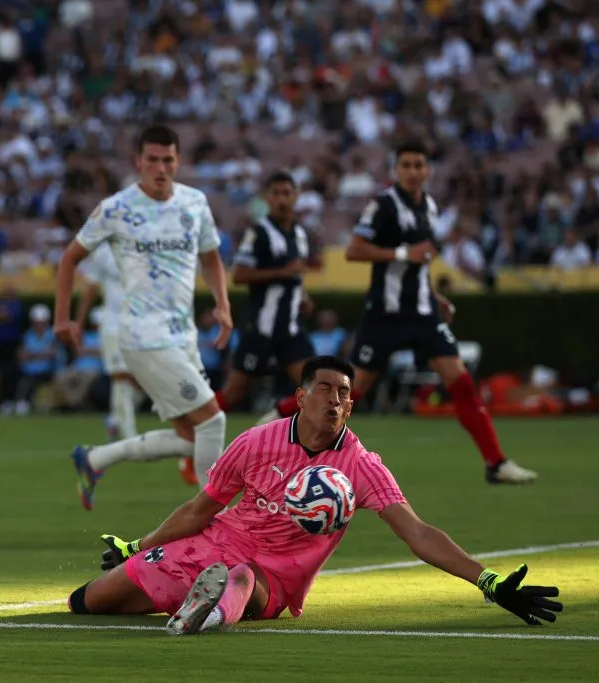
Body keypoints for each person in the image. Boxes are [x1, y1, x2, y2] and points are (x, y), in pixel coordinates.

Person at [66, 357, 562, 636]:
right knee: (84, 602)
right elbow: (200, 510)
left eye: (344, 392)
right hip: (210, 546)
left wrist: (489, 581)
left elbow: (418, 533)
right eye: (325, 388)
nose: (336, 398)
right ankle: (195, 597)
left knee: (241, 578)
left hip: (269, 577)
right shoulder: (255, 442)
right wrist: (139, 544)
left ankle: (211, 611)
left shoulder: (361, 466)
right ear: (301, 397)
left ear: (350, 404)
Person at [256, 141, 538, 485]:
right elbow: (354, 250)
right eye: (406, 165)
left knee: (462, 384)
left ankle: (496, 463)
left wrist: (434, 297)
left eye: (419, 165)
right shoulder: (384, 206)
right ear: (396, 169)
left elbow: (420, 262)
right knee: (350, 393)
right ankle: (277, 418)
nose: (413, 171)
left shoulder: (429, 207)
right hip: (386, 316)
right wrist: (405, 253)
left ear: (427, 169)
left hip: (422, 314)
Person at [54, 123, 233, 511]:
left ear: (178, 161)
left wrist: (222, 304)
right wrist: (63, 317)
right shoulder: (117, 209)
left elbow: (211, 257)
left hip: (182, 336)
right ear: (138, 161)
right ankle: (216, 523)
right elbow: (70, 258)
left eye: (168, 160)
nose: (160, 168)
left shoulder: (194, 203)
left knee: (192, 436)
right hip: (142, 335)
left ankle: (96, 459)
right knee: (213, 422)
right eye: (152, 160)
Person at [214, 171, 315, 416]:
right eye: (276, 193)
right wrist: (281, 272)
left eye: (287, 193)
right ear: (267, 198)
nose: (282, 199)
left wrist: (303, 297)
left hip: (290, 329)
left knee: (315, 388)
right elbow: (239, 275)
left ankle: (268, 426)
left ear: (296, 197)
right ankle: (193, 429)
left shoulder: (300, 234)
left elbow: (295, 274)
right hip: (261, 329)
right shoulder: (258, 233)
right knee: (235, 392)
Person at [74, 242, 144, 443]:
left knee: (145, 380)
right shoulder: (103, 253)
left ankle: (114, 420)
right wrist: (79, 322)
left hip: (141, 324)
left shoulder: (147, 246)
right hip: (113, 324)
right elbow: (91, 288)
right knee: (120, 377)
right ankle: (129, 435)